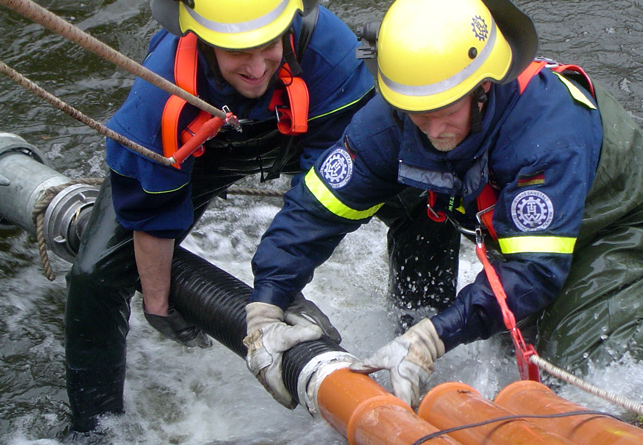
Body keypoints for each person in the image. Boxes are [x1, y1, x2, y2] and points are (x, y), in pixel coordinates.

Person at [242, 0, 643, 411]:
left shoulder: (546, 129)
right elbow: (318, 204)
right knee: (505, 357)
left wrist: (434, 334)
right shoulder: (397, 114)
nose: (432, 130)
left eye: (445, 110)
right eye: (416, 113)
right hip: (510, 224)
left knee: (576, 371)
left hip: (614, 221)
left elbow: (532, 271)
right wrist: (268, 299)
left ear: (484, 86)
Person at [63, 0, 398, 432]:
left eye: (268, 46)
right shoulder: (159, 90)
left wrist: (280, 286)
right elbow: (150, 206)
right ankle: (93, 430)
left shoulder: (330, 53)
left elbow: (333, 185)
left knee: (420, 200)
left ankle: (419, 324)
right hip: (200, 149)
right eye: (239, 51)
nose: (257, 66)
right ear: (204, 43)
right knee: (95, 277)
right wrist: (158, 300)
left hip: (307, 129)